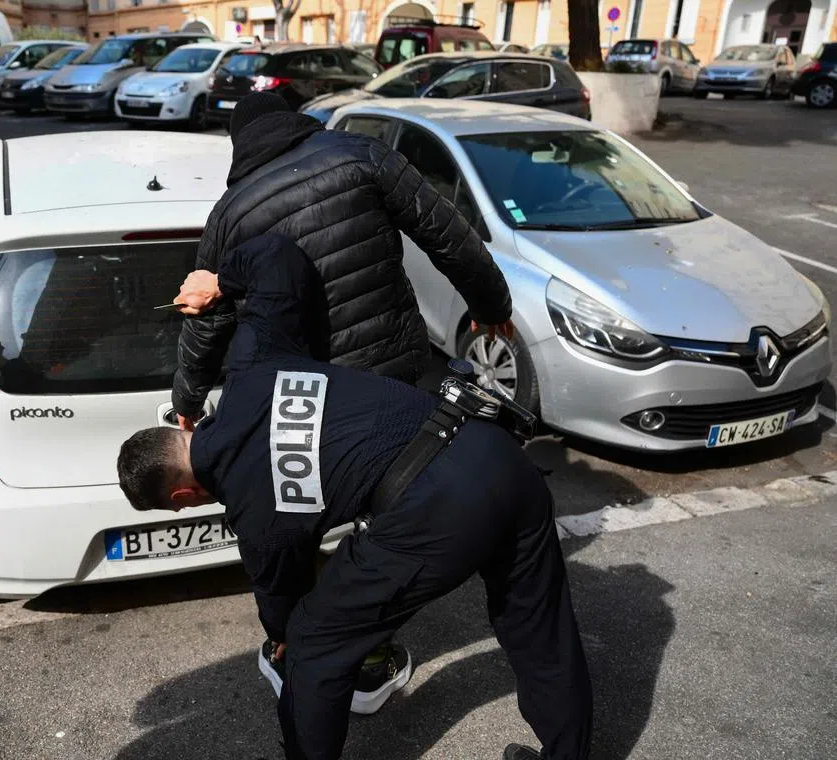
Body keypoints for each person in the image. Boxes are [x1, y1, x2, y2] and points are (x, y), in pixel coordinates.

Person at [119, 234, 593, 760]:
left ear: (183, 495)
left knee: (314, 647)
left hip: (436, 510)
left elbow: (282, 595)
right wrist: (219, 281)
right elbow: (278, 258)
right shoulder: (252, 370)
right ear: (181, 432)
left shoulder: (256, 516)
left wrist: (282, 636)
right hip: (496, 450)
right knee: (540, 626)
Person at [171, 91, 514, 431]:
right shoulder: (361, 153)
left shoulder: (227, 216)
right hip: (392, 367)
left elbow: (206, 315)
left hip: (309, 393)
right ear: (292, 119)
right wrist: (491, 305)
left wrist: (188, 400)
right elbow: (445, 232)